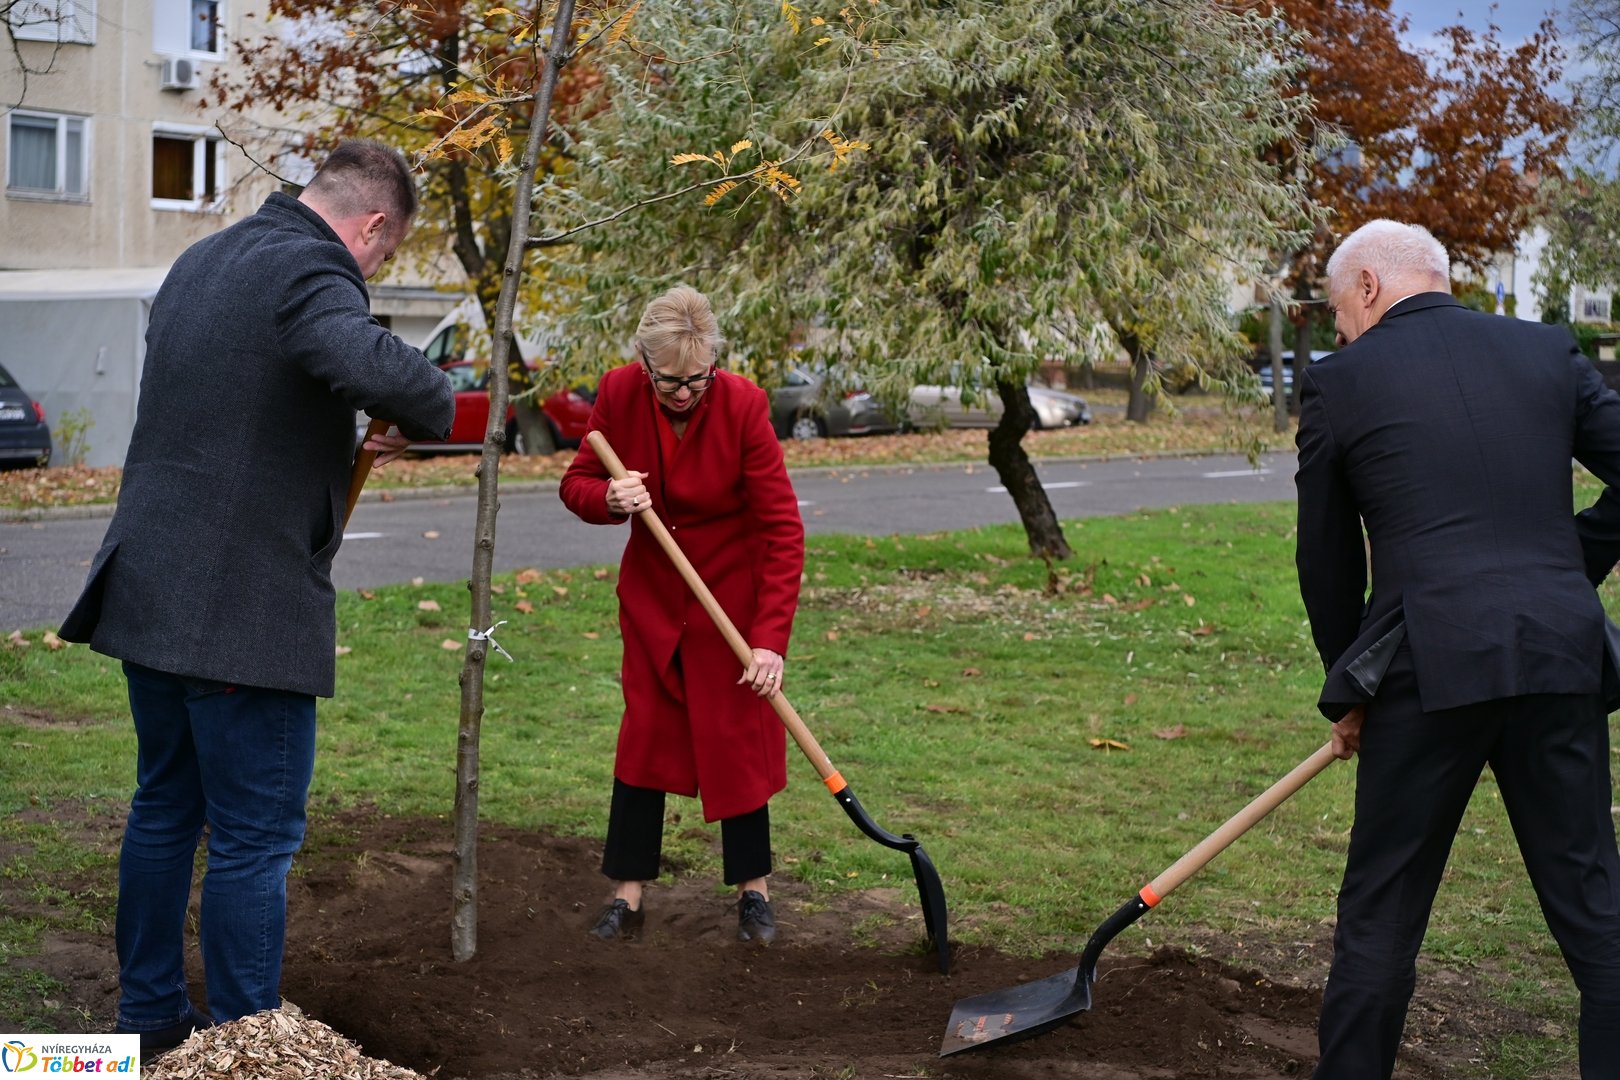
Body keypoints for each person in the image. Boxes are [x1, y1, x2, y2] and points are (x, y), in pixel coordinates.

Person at [59, 140, 454, 1060]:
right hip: (236, 612)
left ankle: (149, 1028)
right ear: (372, 226)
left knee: (165, 809)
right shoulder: (311, 270)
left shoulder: (208, 259)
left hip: (151, 588)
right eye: (384, 258)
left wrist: (344, 435)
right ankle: (245, 1049)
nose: (373, 268)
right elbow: (371, 361)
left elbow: (245, 399)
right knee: (254, 837)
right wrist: (427, 394)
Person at [1294, 218, 1620, 1078]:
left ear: (1367, 285)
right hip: (1559, 657)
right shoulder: (1548, 351)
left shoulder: (1338, 383)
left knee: (1381, 914)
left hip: (1422, 671)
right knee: (1597, 912)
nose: (1340, 333)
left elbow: (1324, 558)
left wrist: (1349, 683)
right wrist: (1563, 570)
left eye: (1339, 313)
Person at [559, 285, 805, 945]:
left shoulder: (746, 406)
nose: (683, 392)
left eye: (696, 379)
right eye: (668, 381)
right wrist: (610, 496)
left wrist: (769, 641)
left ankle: (754, 894)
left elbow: (782, 530)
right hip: (654, 605)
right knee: (645, 742)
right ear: (644, 364)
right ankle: (628, 895)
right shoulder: (617, 393)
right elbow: (576, 482)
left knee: (736, 744)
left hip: (732, 603)